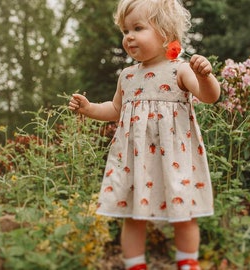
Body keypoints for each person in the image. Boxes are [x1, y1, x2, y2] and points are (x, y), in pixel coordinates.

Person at [68, 0, 220, 269]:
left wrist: (206, 76)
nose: (129, 37)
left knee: (183, 212)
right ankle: (135, 264)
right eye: (125, 31)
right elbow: (115, 109)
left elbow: (209, 96)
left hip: (175, 156)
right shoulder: (127, 76)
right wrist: (89, 108)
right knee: (133, 214)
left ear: (165, 31)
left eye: (137, 28)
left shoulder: (180, 69)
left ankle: (188, 263)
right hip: (135, 159)